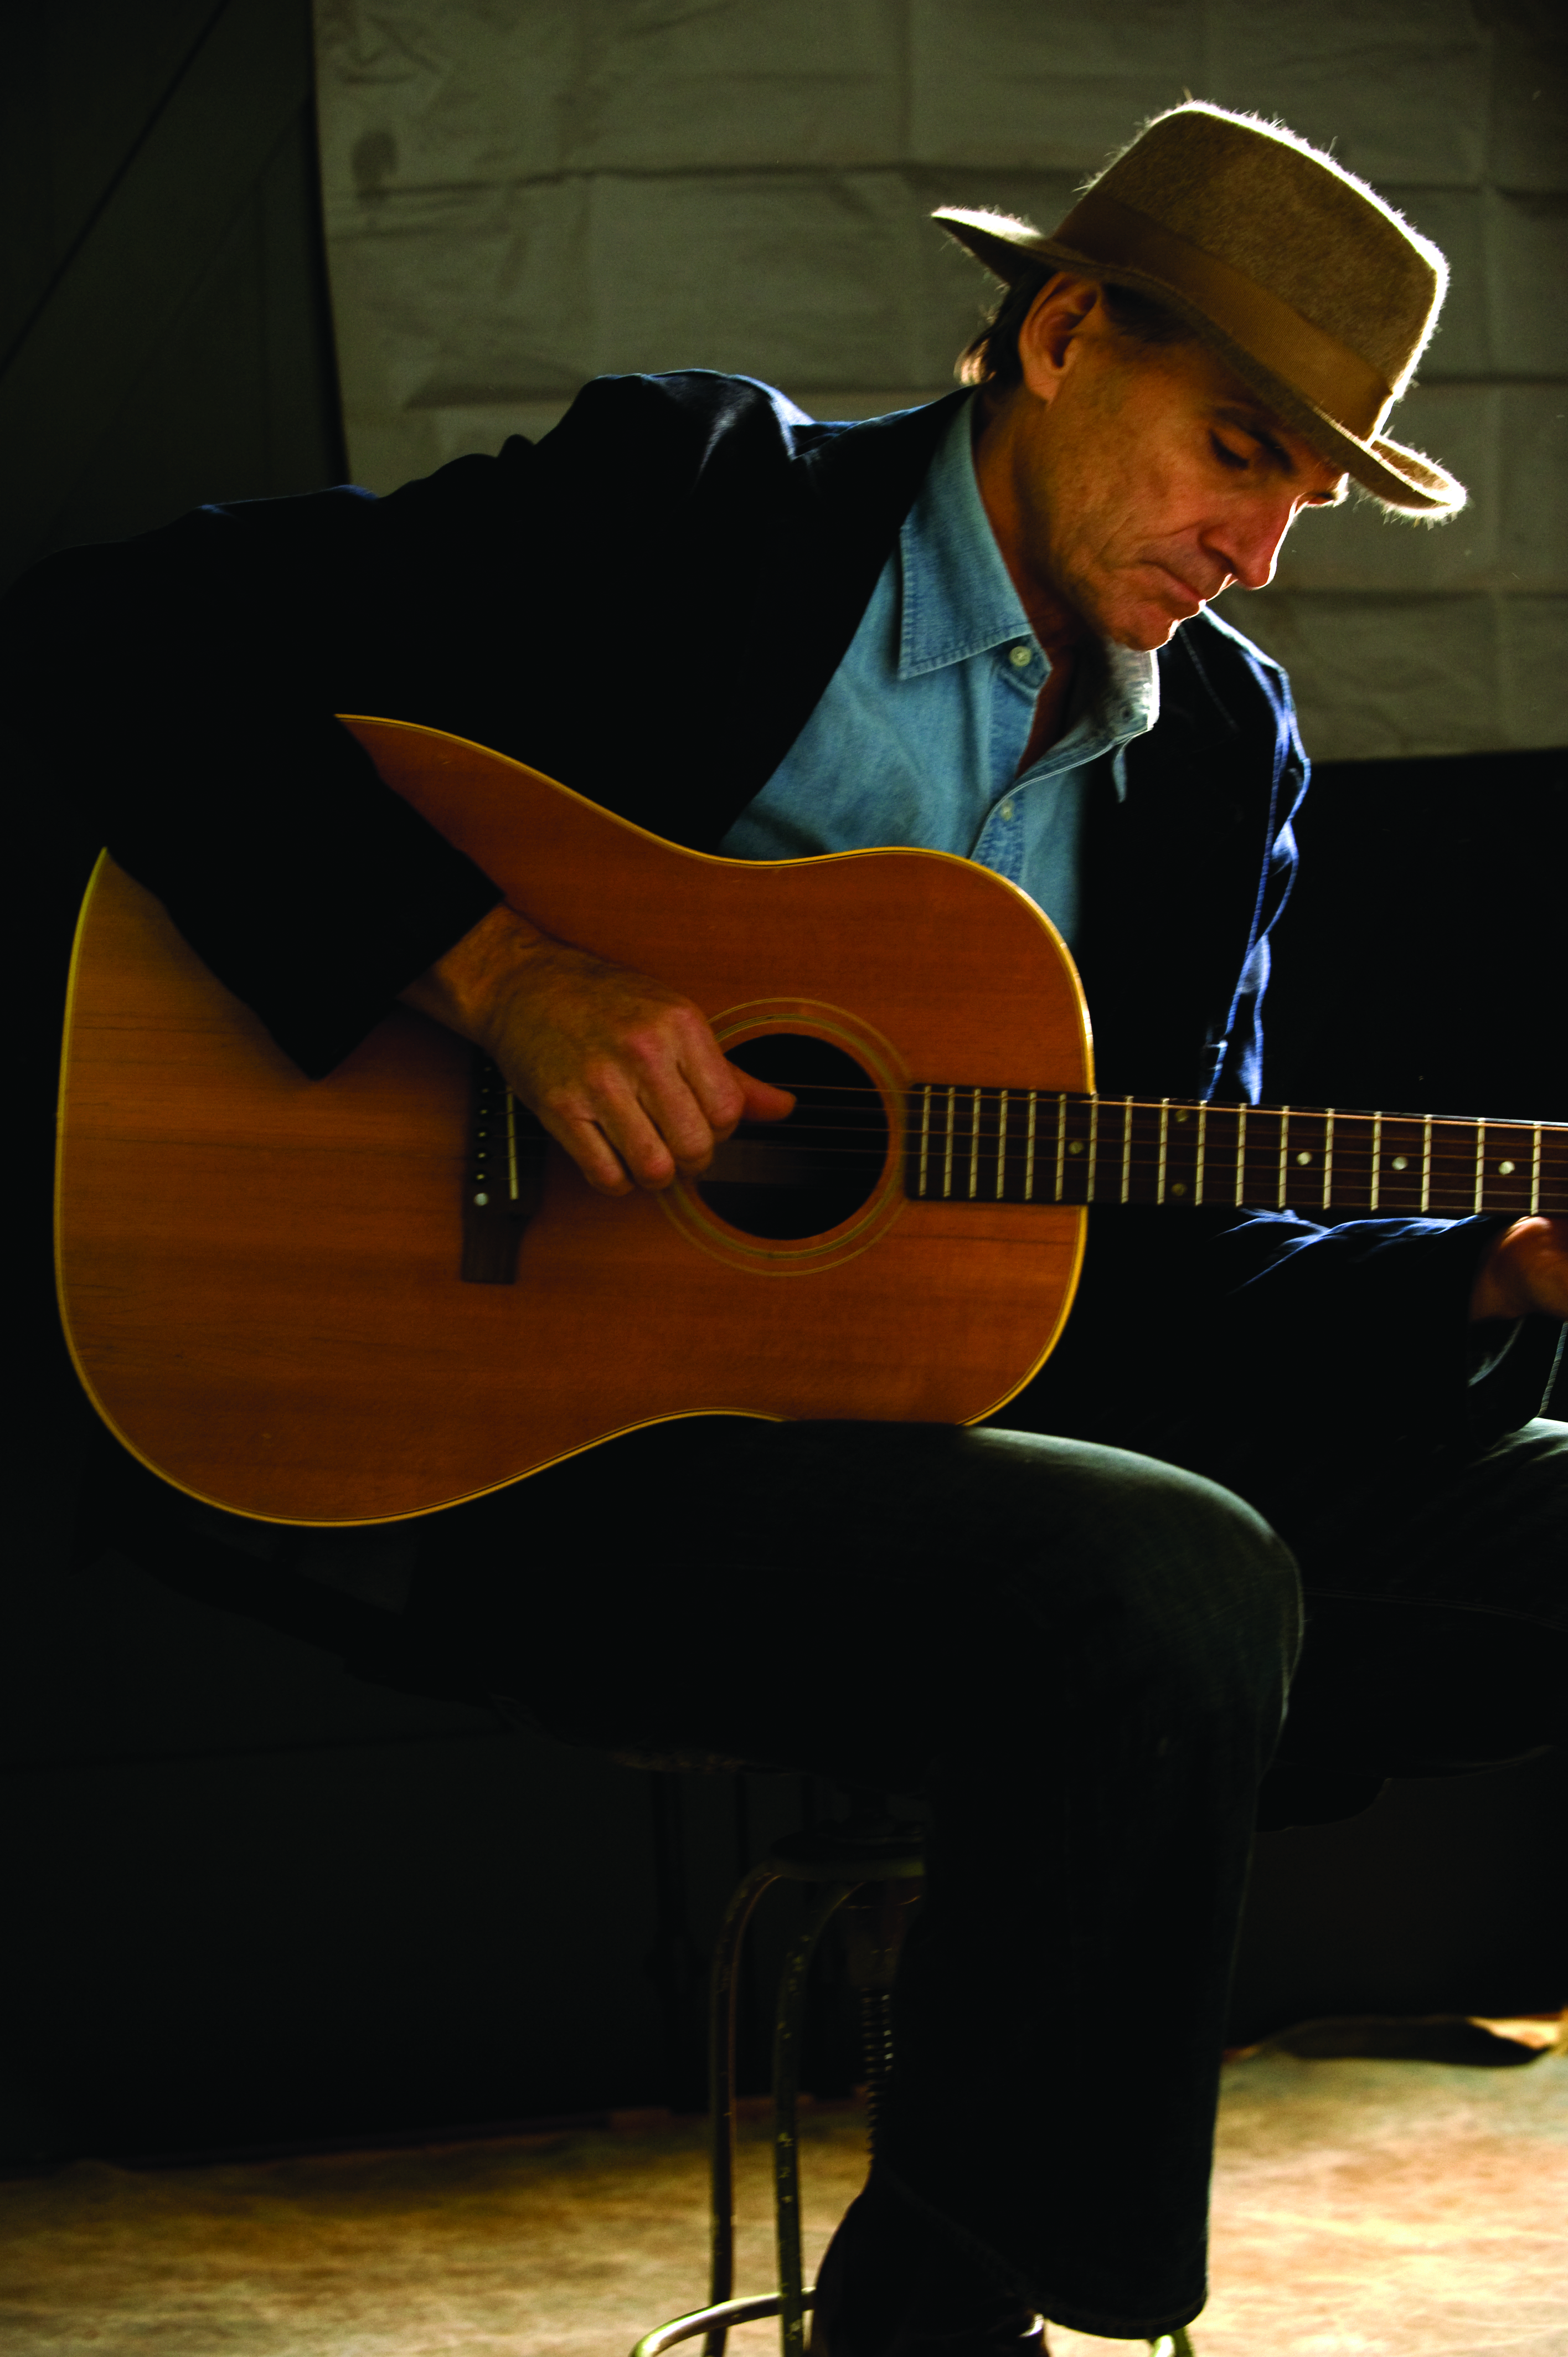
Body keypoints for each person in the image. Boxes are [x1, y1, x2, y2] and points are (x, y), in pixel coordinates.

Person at [6, 101, 1564, 2355]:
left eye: (1306, 494)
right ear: (1054, 334)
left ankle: (935, 2261)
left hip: (968, 1471)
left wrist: (1481, 1272)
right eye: (1237, 447)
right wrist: (508, 974)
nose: (1258, 545)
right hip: (565, 1449)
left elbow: (1160, 1258)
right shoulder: (702, 516)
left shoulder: (1222, 747)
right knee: (1169, 1580)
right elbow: (106, 635)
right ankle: (968, 2318)